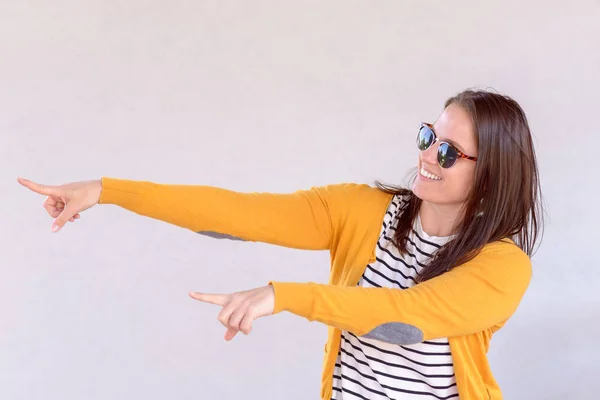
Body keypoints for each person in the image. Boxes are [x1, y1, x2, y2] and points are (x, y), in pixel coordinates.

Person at [18, 88, 543, 400]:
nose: (428, 157)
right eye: (429, 137)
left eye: (449, 152)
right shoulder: (362, 210)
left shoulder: (502, 266)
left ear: (493, 171)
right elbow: (239, 213)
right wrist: (107, 191)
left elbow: (403, 317)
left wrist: (283, 295)